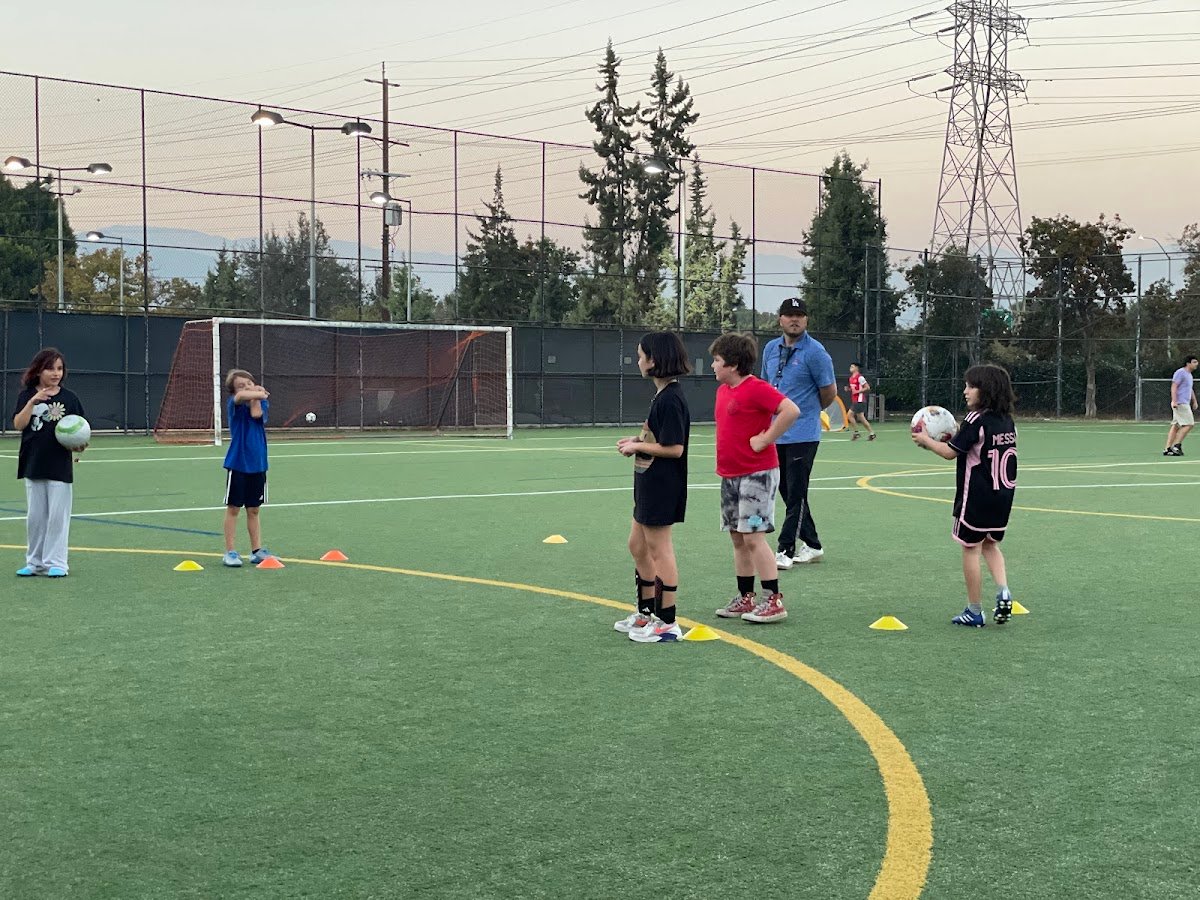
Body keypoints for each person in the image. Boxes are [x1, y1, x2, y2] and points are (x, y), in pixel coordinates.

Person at [912, 364, 1018, 628]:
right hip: (1003, 496)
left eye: (971, 386)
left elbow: (950, 452)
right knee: (991, 544)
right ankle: (1003, 590)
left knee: (970, 548)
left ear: (986, 390)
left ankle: (974, 610)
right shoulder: (1006, 420)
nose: (965, 391)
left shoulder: (975, 420)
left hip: (976, 496)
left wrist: (926, 439)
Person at [710, 333, 800, 624]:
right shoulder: (724, 390)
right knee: (738, 537)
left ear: (733, 364)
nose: (712, 365)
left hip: (757, 474)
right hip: (731, 475)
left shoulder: (756, 389)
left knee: (753, 537)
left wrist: (766, 439)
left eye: (717, 361)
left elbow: (790, 410)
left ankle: (773, 599)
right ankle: (745, 596)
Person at [614, 333, 693, 643]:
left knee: (660, 552)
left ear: (655, 360)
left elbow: (675, 449)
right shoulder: (661, 396)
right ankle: (645, 612)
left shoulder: (672, 398)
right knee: (637, 546)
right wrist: (637, 442)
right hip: (647, 485)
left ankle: (667, 622)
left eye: (640, 355)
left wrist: (638, 448)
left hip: (663, 486)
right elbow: (658, 441)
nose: (638, 361)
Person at [760, 297, 836, 570]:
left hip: (803, 434)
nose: (795, 320)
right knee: (787, 491)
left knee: (796, 493)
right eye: (790, 315)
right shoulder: (770, 349)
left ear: (806, 320)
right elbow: (766, 388)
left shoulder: (816, 352)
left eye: (800, 315)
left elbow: (829, 392)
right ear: (780, 319)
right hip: (775, 432)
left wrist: (808, 412)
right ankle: (813, 544)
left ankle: (785, 549)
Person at [13, 347, 87, 577]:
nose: (55, 373)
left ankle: (57, 563)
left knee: (57, 517)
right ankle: (34, 563)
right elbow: (18, 424)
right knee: (35, 518)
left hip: (59, 466)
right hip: (33, 464)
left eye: (59, 368)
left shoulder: (69, 398)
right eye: (50, 368)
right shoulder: (27, 396)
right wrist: (33, 402)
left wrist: (79, 445)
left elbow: (81, 430)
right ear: (38, 370)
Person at [222, 369, 272, 567]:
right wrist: (258, 391)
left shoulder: (261, 403)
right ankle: (230, 552)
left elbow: (256, 412)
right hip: (238, 464)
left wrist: (258, 396)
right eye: (240, 386)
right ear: (233, 391)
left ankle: (256, 551)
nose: (245, 388)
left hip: (258, 464)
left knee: (254, 510)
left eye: (248, 383)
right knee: (234, 508)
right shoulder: (234, 404)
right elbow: (242, 397)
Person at [1163, 354, 1198, 456]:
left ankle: (1167, 448)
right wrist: (1174, 401)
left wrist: (1194, 401)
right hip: (1180, 403)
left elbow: (1189, 389)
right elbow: (1174, 386)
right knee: (1189, 424)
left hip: (1185, 402)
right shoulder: (1180, 372)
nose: (1197, 364)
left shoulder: (1189, 375)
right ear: (1188, 363)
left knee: (1176, 426)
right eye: (1194, 362)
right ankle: (1176, 445)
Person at [845, 362, 876, 441]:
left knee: (849, 415)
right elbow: (853, 389)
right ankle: (872, 433)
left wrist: (858, 391)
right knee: (861, 418)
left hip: (860, 400)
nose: (850, 368)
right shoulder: (851, 378)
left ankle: (856, 433)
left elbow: (867, 387)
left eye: (852, 366)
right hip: (855, 400)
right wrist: (848, 389)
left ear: (856, 368)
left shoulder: (860, 377)